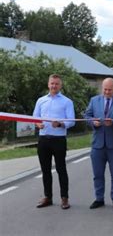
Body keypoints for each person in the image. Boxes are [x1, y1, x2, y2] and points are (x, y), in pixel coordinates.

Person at [84, 78, 113, 210]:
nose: (107, 92)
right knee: (97, 174)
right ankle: (99, 198)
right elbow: (86, 115)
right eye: (105, 89)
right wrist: (93, 122)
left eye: (110, 89)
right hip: (97, 144)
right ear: (102, 88)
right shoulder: (94, 100)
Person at [33, 74, 75, 209]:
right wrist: (37, 124)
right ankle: (48, 197)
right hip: (44, 139)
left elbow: (71, 121)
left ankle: (64, 198)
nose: (54, 86)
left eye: (56, 84)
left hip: (58, 140)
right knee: (45, 170)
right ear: (48, 84)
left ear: (60, 85)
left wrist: (61, 124)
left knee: (61, 169)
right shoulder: (40, 100)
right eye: (52, 83)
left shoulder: (67, 101)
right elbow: (35, 117)